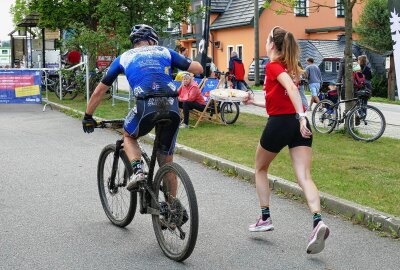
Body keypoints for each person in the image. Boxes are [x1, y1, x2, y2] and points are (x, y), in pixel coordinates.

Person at [82, 24, 203, 190]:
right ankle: (173, 208)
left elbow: (99, 91)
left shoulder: (124, 57)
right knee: (166, 161)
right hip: (172, 106)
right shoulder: (164, 51)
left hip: (146, 106)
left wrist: (88, 116)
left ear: (134, 42)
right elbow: (198, 68)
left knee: (129, 135)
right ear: (152, 40)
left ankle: (138, 171)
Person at [243, 26, 330, 254]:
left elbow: (291, 90)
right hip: (296, 123)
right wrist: (254, 103)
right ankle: (317, 221)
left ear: (272, 44)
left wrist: (302, 116)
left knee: (260, 168)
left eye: (267, 39)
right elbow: (282, 99)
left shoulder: (273, 66)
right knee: (304, 177)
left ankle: (265, 218)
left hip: (283, 123)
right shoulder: (290, 67)